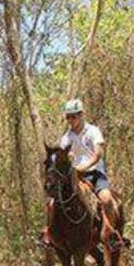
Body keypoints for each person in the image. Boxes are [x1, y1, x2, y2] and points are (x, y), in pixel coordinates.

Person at [43, 99, 122, 246]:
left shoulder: (93, 131)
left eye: (74, 116)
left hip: (95, 173)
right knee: (51, 202)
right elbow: (62, 159)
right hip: (75, 176)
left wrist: (83, 167)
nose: (71, 120)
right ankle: (49, 233)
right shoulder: (66, 138)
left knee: (106, 199)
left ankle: (110, 233)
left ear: (81, 115)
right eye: (68, 117)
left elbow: (97, 154)